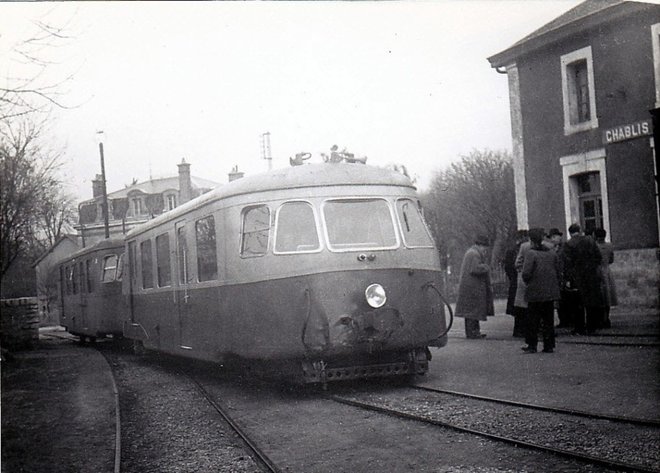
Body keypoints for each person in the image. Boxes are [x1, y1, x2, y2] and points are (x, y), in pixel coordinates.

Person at [521, 228, 561, 353]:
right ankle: (549, 345)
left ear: (531, 240)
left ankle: (532, 345)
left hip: (535, 291)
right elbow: (558, 270)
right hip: (550, 291)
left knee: (533, 319)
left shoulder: (531, 254)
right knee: (548, 319)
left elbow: (526, 273)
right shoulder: (552, 253)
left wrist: (529, 283)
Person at [562, 223, 604, 334]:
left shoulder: (568, 244)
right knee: (591, 301)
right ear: (579, 230)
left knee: (577, 303)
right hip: (591, 275)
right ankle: (592, 327)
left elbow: (567, 263)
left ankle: (579, 327)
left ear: (570, 233)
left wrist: (568, 278)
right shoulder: (589, 240)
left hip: (577, 277)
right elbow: (598, 257)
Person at [455, 234, 494, 339]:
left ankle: (474, 332)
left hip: (470, 287)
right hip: (472, 288)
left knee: (472, 311)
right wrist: (486, 267)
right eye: (485, 247)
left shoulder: (472, 252)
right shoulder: (474, 254)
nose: (485, 249)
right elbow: (475, 268)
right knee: (472, 312)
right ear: (481, 245)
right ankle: (473, 333)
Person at [503, 230, 527, 337]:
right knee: (521, 307)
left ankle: (518, 329)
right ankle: (520, 329)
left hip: (515, 281)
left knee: (518, 307)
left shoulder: (511, 251)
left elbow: (507, 267)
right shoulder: (517, 251)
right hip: (518, 281)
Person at [595, 228, 617, 328]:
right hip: (607, 271)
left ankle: (600, 319)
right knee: (607, 296)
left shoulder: (594, 246)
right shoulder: (609, 245)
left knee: (600, 296)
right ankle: (606, 318)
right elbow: (612, 259)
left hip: (597, 271)